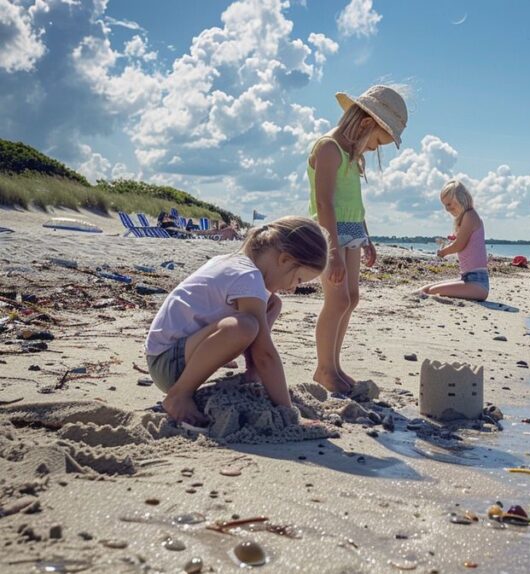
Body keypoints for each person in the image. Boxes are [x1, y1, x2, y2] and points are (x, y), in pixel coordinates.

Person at [143, 216, 328, 425]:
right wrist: (287, 411)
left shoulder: (234, 262)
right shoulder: (247, 277)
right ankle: (179, 395)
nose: (293, 288)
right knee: (245, 326)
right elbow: (265, 354)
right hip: (167, 363)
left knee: (272, 303)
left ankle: (252, 375)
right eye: (298, 279)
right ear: (284, 259)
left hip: (172, 354)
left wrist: (255, 368)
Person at [309, 85, 408, 394]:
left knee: (351, 298)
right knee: (336, 299)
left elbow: (354, 201)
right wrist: (333, 250)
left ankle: (334, 366)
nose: (375, 149)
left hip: (352, 231)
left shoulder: (352, 156)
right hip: (331, 232)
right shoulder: (328, 148)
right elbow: (324, 202)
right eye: (378, 141)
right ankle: (324, 369)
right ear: (366, 124)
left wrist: (367, 238)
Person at [419, 180, 489, 301]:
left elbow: (459, 245)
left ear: (461, 199)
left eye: (449, 204)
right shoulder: (465, 217)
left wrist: (444, 252)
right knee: (426, 288)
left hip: (478, 283)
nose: (447, 209)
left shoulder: (470, 215)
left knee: (431, 291)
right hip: (467, 279)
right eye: (445, 205)